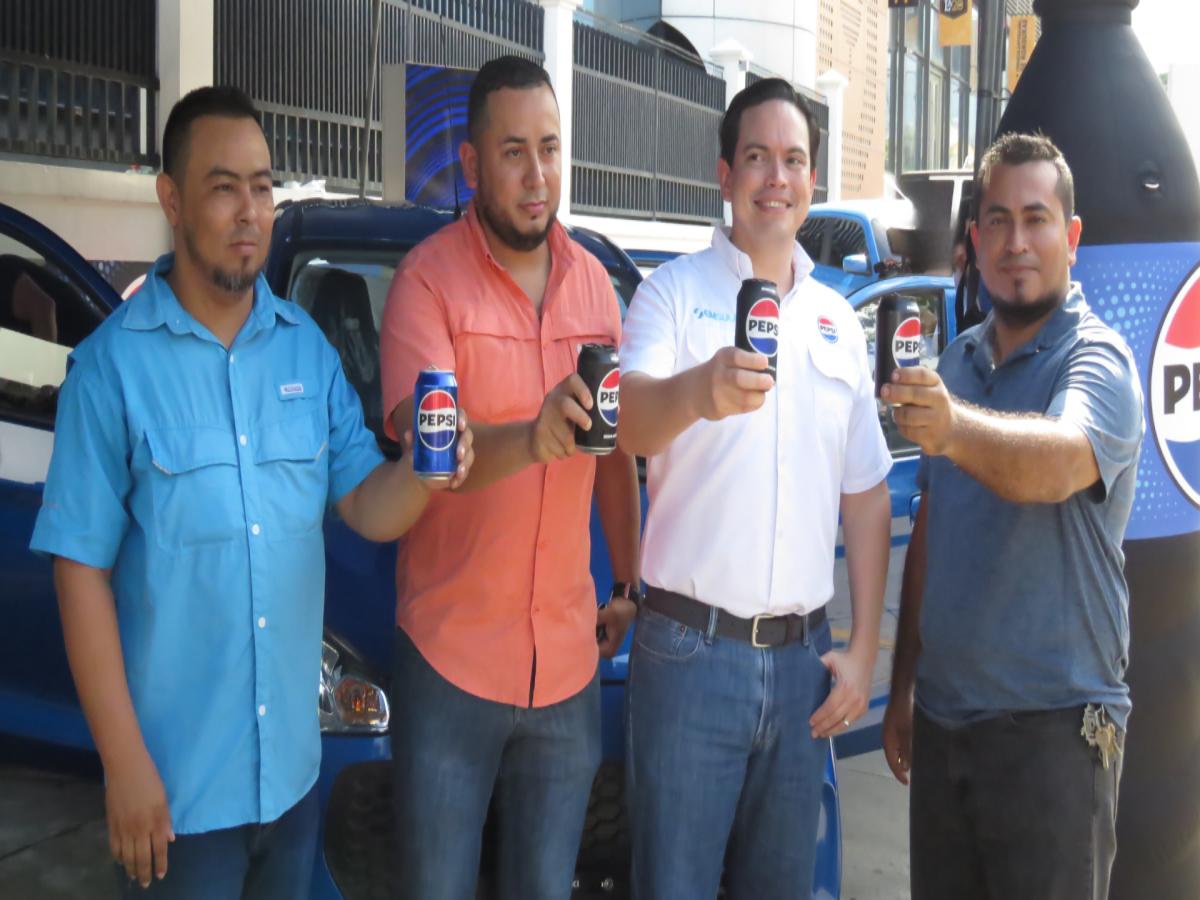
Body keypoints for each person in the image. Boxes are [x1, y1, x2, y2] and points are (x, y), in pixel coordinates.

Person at [29, 85, 472, 899]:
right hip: (177, 796)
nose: (249, 211)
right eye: (223, 186)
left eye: (263, 186)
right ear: (172, 199)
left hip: (293, 782)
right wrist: (123, 764)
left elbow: (365, 506)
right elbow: (78, 571)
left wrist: (424, 472)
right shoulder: (114, 369)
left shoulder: (305, 353)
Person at [617, 77, 893, 899]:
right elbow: (626, 422)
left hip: (804, 665)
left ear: (812, 181)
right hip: (689, 656)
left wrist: (865, 647)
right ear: (725, 173)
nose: (777, 176)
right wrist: (698, 391)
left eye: (795, 160)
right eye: (758, 158)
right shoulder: (671, 293)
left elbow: (868, 491)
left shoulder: (838, 322)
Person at [379, 56, 641, 900]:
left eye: (552, 149)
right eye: (515, 152)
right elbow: (434, 457)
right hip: (450, 664)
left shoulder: (595, 286)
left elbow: (612, 459)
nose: (538, 177)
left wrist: (628, 580)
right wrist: (528, 439)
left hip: (566, 669)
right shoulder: (426, 284)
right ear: (472, 163)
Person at [880, 132, 1144, 900]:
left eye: (1036, 219)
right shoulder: (955, 363)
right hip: (946, 725)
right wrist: (905, 687)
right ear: (975, 240)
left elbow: (1059, 462)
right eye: (998, 220)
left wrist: (954, 428)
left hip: (1054, 737)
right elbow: (934, 530)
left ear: (1072, 237)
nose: (1017, 241)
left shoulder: (1099, 359)